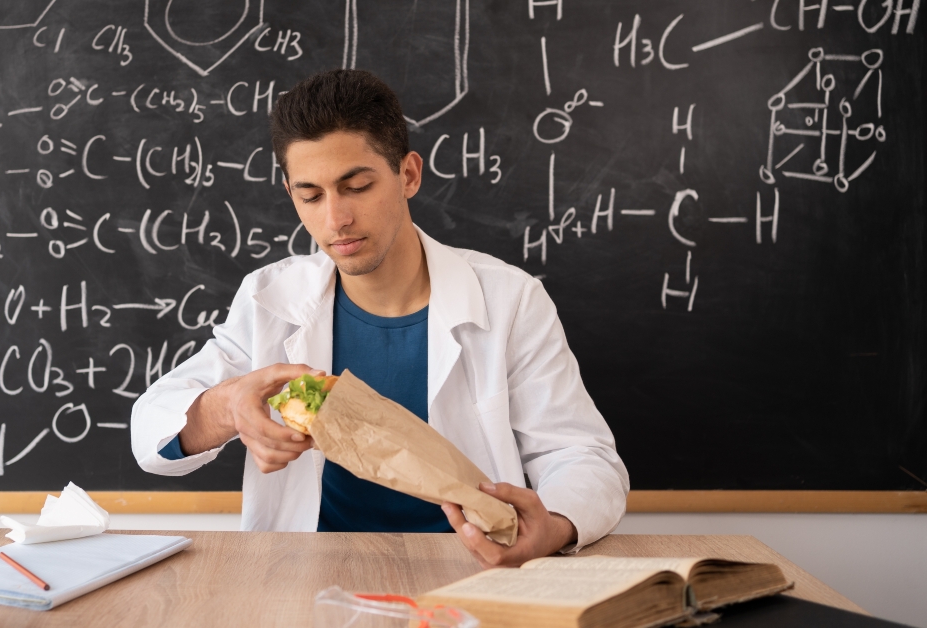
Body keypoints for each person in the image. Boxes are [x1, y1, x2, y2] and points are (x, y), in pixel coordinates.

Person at [131, 69, 628, 567]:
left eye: (358, 186)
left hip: (473, 566)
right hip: (309, 574)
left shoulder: (510, 301)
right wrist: (229, 408)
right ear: (291, 193)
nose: (335, 219)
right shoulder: (270, 300)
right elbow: (150, 430)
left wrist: (553, 527)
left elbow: (582, 457)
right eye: (311, 195)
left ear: (408, 174)